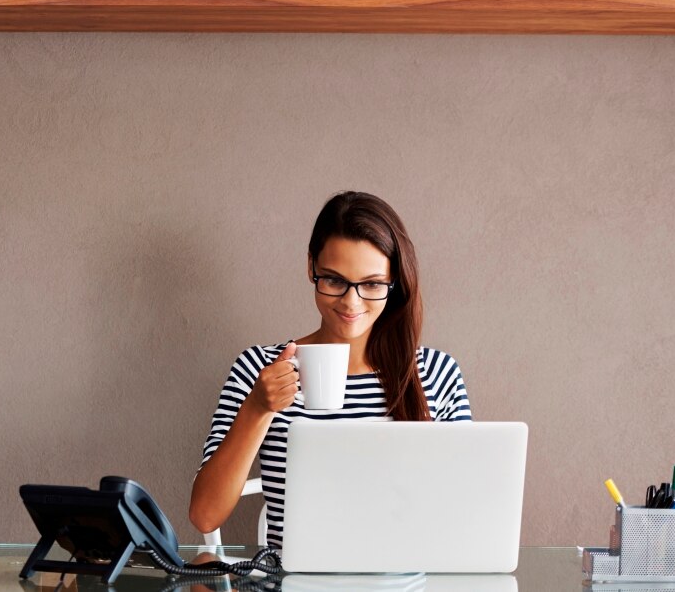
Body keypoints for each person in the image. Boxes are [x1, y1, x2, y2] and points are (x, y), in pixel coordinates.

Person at [188, 191, 472, 550]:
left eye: (372, 284)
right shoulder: (260, 368)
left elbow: (466, 510)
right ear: (312, 268)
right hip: (292, 576)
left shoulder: (436, 374)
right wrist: (258, 408)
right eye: (335, 280)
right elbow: (205, 515)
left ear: (394, 282)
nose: (351, 302)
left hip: (408, 574)